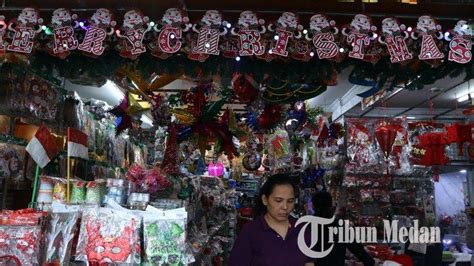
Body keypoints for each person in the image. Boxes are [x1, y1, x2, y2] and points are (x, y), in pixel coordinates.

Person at [229, 174, 314, 266]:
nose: (285, 207)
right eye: (278, 200)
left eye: (290, 201)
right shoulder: (250, 231)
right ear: (265, 200)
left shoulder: (301, 229)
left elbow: (309, 262)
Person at [311, 191, 375, 266]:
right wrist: (371, 262)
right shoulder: (341, 227)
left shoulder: (305, 227)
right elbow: (359, 251)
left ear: (313, 206)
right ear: (331, 206)